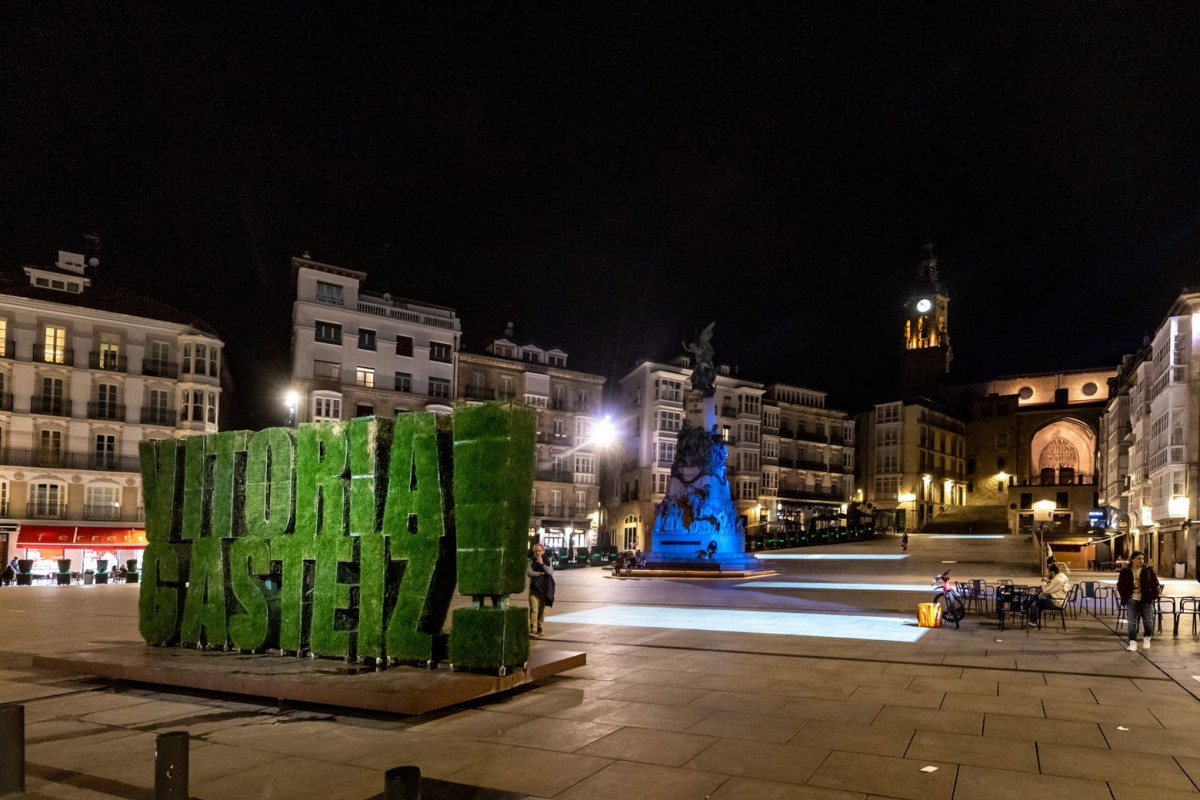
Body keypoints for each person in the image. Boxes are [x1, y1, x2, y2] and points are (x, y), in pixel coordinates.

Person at [1116, 551, 1161, 651]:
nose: (1141, 560)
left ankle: (1147, 638)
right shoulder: (1125, 571)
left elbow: (1155, 584)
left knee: (1149, 621)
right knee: (1132, 622)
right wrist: (1125, 596)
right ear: (1132, 559)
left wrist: (1153, 595)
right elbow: (1120, 585)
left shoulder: (1148, 571)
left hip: (1146, 600)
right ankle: (1133, 642)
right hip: (1132, 600)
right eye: (1138, 558)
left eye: (1142, 559)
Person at [526, 543, 555, 637]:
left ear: (543, 551)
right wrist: (540, 574)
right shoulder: (531, 561)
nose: (537, 552)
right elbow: (529, 573)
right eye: (535, 551)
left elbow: (550, 572)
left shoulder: (547, 560)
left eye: (538, 550)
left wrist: (541, 563)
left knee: (541, 609)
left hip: (544, 588)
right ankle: (532, 629)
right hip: (534, 588)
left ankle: (540, 627)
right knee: (533, 609)